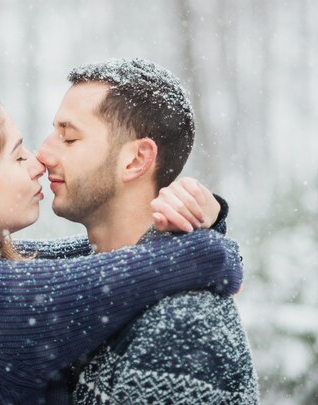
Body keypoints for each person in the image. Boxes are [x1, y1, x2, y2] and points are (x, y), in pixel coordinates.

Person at [0, 73, 243, 404]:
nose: (39, 159)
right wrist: (208, 240)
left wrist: (197, 217)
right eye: (17, 155)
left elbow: (92, 262)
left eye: (69, 139)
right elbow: (179, 262)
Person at [35, 58, 259, 404]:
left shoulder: (182, 329)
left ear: (137, 160)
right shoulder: (85, 272)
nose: (44, 153)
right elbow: (1, 267)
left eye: (68, 138)